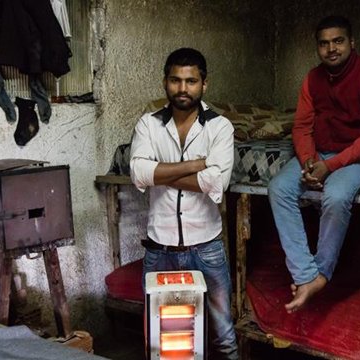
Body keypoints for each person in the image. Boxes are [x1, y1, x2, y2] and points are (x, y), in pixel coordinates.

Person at [268, 15, 360, 313]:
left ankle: (322, 274)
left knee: (336, 196)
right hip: (320, 154)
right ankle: (305, 275)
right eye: (324, 43)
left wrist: (331, 166)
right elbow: (301, 127)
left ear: (352, 42)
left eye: (338, 41)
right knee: (278, 189)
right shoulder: (313, 78)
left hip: (358, 154)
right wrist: (311, 162)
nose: (331, 49)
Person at [130, 47, 238, 359]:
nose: (182, 88)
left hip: (207, 248)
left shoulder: (220, 127)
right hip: (159, 248)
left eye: (191, 81)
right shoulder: (148, 124)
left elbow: (216, 183)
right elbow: (137, 172)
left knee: (224, 335)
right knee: (160, 339)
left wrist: (158, 173)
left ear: (204, 84)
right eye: (175, 80)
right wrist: (194, 165)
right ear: (165, 82)